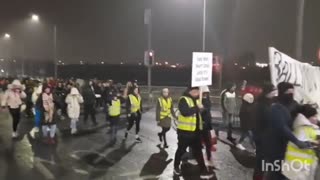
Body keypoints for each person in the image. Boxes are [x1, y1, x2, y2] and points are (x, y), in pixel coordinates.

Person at [264, 82, 312, 180]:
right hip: (274, 144)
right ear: (282, 92)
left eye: (292, 92)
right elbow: (282, 127)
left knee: (284, 172)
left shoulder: (294, 104)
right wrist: (297, 142)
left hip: (286, 145)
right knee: (274, 171)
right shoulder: (274, 105)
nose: (291, 94)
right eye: (288, 92)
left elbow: (307, 112)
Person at [173, 86, 213, 179]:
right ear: (191, 91)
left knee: (198, 151)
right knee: (181, 150)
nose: (198, 93)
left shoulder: (198, 100)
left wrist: (204, 102)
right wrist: (197, 107)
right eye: (196, 91)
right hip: (184, 132)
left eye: (199, 91)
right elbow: (185, 112)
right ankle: (176, 167)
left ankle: (203, 170)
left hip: (196, 132)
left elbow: (204, 112)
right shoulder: (183, 99)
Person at [282, 104, 320, 180]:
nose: (316, 119)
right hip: (298, 168)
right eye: (314, 116)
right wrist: (315, 144)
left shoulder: (309, 127)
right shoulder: (302, 128)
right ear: (308, 117)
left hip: (300, 167)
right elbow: (301, 143)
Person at [253, 83, 277, 180]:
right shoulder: (263, 105)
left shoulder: (266, 103)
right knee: (261, 163)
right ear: (268, 92)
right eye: (273, 90)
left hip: (262, 136)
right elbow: (265, 121)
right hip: (262, 137)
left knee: (262, 163)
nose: (275, 93)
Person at [200, 86, 215, 166]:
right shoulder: (198, 100)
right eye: (204, 93)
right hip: (200, 124)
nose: (205, 95)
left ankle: (208, 157)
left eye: (206, 93)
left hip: (206, 125)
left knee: (208, 142)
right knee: (197, 143)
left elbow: (207, 111)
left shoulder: (207, 101)